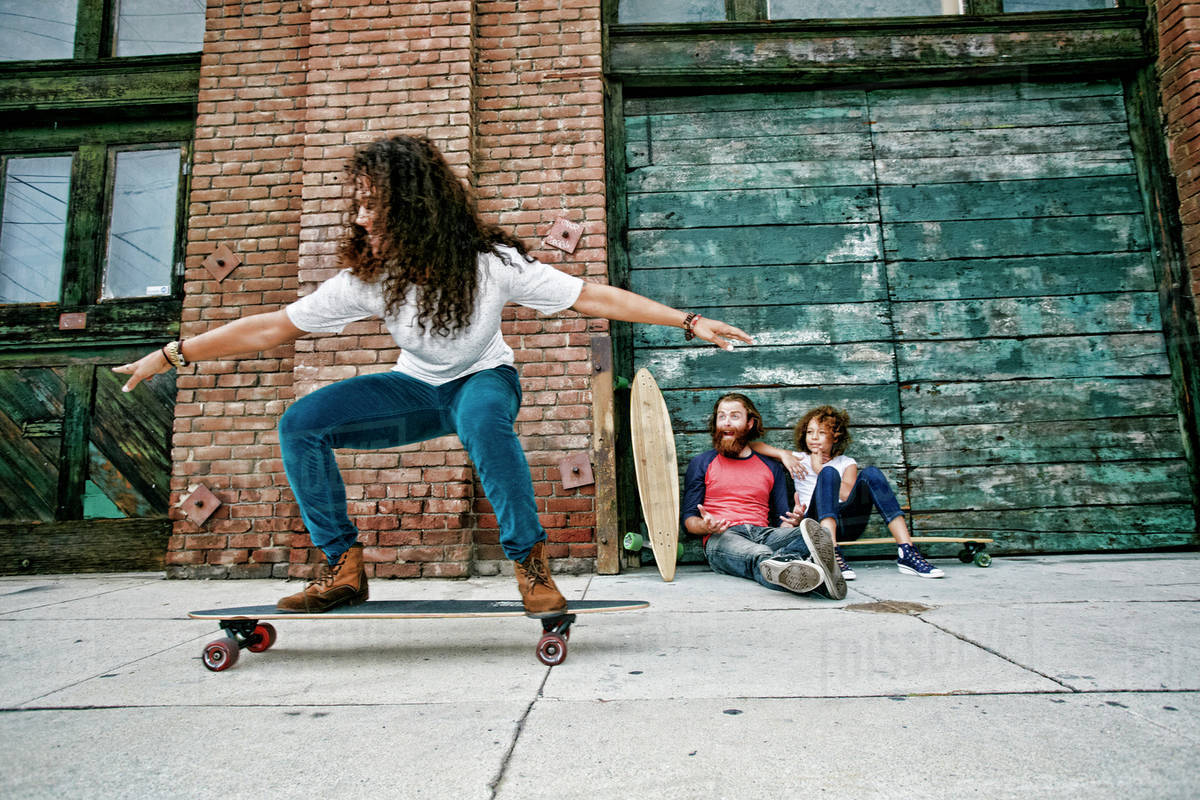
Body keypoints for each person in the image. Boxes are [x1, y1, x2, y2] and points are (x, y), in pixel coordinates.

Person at [114, 134, 752, 617]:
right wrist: (173, 353)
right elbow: (272, 327)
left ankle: (530, 564)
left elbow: (594, 297)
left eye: (372, 204)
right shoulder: (370, 278)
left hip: (486, 380)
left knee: (479, 417)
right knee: (301, 423)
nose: (360, 217)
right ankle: (343, 567)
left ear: (412, 207)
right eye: (357, 204)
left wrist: (687, 320)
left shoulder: (491, 263)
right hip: (416, 390)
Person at [680, 393, 846, 599]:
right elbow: (688, 521)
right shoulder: (702, 462)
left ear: (750, 423)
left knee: (820, 533)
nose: (726, 423)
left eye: (734, 416)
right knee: (758, 556)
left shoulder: (771, 467)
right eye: (721, 417)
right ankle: (811, 577)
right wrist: (705, 526)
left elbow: (780, 521)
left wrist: (794, 521)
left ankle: (794, 568)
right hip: (723, 536)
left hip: (764, 534)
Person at [753, 405, 943, 579]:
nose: (813, 437)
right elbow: (754, 446)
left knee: (871, 473)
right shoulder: (800, 458)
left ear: (835, 437)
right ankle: (831, 554)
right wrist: (783, 454)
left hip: (848, 524)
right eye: (809, 432)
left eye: (821, 432)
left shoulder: (846, 462)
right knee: (828, 473)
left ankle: (907, 551)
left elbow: (845, 495)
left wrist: (819, 469)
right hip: (815, 524)